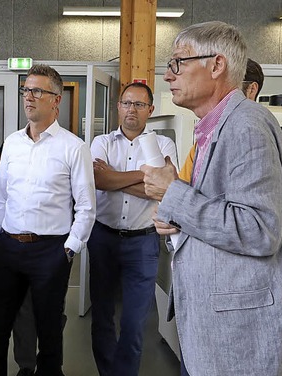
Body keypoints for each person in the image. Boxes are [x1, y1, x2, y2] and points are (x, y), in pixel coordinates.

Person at [140, 21, 282, 376]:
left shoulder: (247, 125)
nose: (168, 75)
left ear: (216, 65)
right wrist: (176, 217)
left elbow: (259, 229)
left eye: (178, 62)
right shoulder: (214, 127)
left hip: (239, 340)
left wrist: (173, 194)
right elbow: (219, 213)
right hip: (216, 327)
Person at [0, 64, 96, 376]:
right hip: (7, 248)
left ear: (55, 100)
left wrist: (68, 250)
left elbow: (86, 207)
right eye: (26, 90)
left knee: (49, 334)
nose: (28, 97)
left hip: (50, 252)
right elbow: (0, 194)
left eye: (36, 91)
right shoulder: (12, 143)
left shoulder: (74, 147)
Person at [88, 82, 177, 376]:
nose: (132, 109)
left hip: (143, 243)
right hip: (103, 238)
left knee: (134, 321)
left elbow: (164, 191)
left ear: (150, 110)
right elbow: (98, 182)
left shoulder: (163, 145)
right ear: (118, 106)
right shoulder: (101, 142)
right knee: (102, 315)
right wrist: (146, 177)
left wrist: (115, 176)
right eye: (127, 103)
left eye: (139, 104)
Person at [179, 58, 282, 182]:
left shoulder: (272, 141)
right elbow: (183, 188)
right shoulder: (205, 140)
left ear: (252, 89)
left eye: (230, 89)